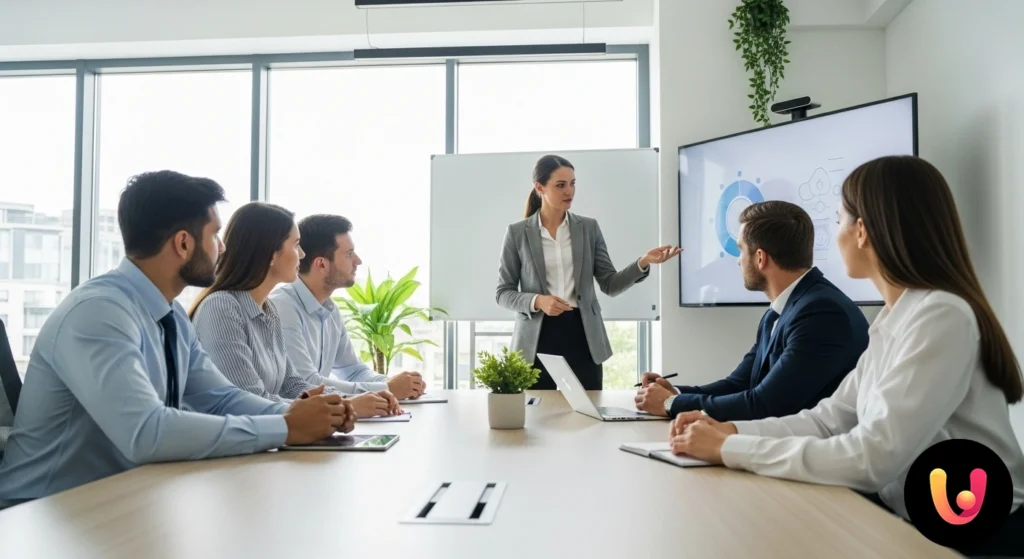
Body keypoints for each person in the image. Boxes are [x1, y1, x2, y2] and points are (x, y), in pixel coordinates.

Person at [668, 156, 1024, 557]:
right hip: (912, 517)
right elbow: (827, 420)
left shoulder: (941, 316)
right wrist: (730, 431)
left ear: (862, 232)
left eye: (837, 219)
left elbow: (872, 456)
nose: (832, 236)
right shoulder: (895, 317)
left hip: (974, 534)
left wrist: (728, 449)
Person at [0, 171, 355, 502]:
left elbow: (220, 398)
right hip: (40, 510)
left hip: (118, 498)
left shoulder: (170, 317)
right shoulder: (99, 313)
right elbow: (146, 431)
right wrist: (284, 427)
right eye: (215, 235)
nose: (223, 248)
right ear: (183, 244)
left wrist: (304, 414)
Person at [635, 201, 869, 420]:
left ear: (760, 258)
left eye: (741, 250)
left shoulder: (822, 314)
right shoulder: (781, 311)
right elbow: (740, 384)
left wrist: (671, 404)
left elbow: (765, 404)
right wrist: (673, 392)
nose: (738, 261)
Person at [189, 203, 400, 419]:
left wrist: (342, 403)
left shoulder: (268, 309)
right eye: (296, 245)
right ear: (271, 253)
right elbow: (246, 399)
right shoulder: (222, 307)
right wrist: (345, 408)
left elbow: (291, 384)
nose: (302, 254)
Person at [496, 155, 681, 391]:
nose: (569, 191)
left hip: (583, 336)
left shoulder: (588, 228)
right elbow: (503, 293)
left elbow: (609, 284)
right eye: (560, 185)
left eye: (573, 183)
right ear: (540, 187)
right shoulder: (517, 233)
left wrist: (643, 262)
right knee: (537, 419)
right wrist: (538, 300)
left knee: (588, 416)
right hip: (536, 339)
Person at [271, 214, 426, 400]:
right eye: (348, 254)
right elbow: (306, 383)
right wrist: (387, 388)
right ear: (321, 264)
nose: (358, 261)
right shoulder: (283, 308)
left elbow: (352, 370)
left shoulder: (330, 310)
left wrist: (400, 384)